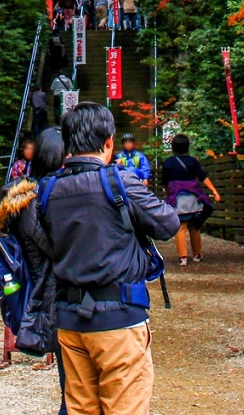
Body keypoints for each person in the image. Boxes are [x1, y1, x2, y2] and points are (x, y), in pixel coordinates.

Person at [41, 103, 180, 415]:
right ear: (108, 142)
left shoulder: (48, 190)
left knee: (79, 409)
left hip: (70, 319)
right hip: (119, 318)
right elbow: (167, 224)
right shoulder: (119, 182)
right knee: (125, 407)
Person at [0, 128, 66, 376]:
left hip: (55, 297)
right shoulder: (32, 203)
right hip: (50, 299)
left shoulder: (40, 197)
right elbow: (59, 250)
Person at [161, 134, 221, 266]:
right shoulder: (193, 161)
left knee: (180, 227)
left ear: (173, 147)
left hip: (177, 198)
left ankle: (183, 257)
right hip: (193, 198)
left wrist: (167, 192)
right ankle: (197, 254)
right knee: (195, 226)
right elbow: (202, 177)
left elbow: (164, 181)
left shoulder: (168, 162)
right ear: (187, 146)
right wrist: (213, 190)